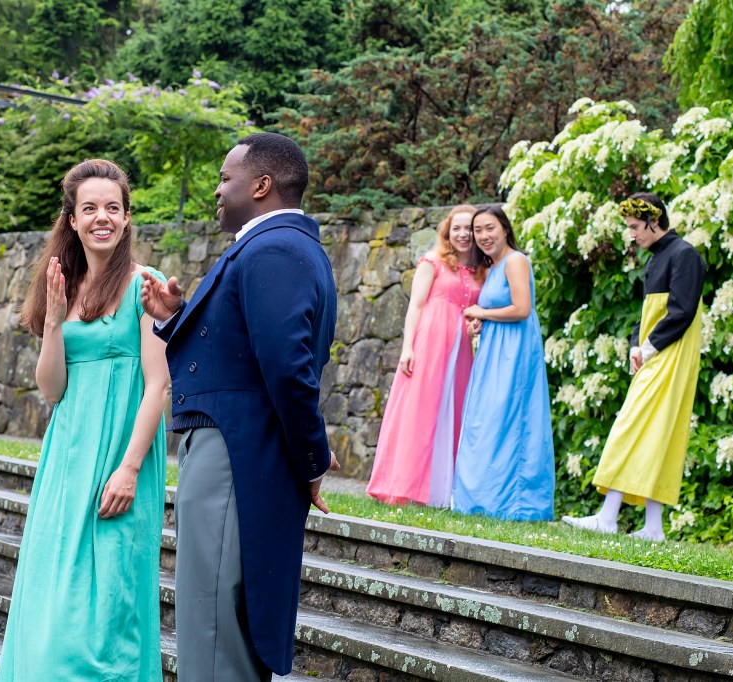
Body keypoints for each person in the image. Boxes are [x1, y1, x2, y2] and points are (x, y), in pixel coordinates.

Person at [139, 132, 339, 680]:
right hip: (242, 449)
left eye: (226, 179)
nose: (217, 191)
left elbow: (286, 364)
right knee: (221, 621)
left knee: (212, 624)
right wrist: (177, 317)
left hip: (234, 454)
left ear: (262, 184)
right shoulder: (279, 246)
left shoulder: (275, 247)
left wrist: (314, 456)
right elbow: (248, 349)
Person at [0, 159, 170, 680]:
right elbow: (52, 389)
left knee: (111, 601)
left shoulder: (146, 284)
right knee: (56, 593)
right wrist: (53, 320)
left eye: (112, 208)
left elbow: (159, 384)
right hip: (68, 454)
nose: (102, 217)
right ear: (70, 219)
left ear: (126, 218)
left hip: (123, 453)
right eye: (89, 208)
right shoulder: (61, 288)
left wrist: (130, 468)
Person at [562, 192, 706, 542]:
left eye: (634, 227)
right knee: (654, 432)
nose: (631, 234)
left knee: (631, 424)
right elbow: (647, 312)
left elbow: (682, 311)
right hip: (658, 351)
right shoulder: (657, 258)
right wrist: (634, 347)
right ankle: (653, 528)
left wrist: (648, 347)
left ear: (653, 221)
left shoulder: (684, 255)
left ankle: (608, 517)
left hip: (671, 353)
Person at [367, 205, 486, 507]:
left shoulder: (479, 271)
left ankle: (441, 492)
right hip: (430, 344)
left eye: (468, 228)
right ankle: (404, 488)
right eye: (456, 228)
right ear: (447, 232)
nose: (462, 234)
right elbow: (416, 306)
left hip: (461, 352)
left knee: (454, 412)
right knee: (418, 414)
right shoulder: (432, 262)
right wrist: (408, 347)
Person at [452, 205, 555, 521]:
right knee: (488, 421)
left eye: (489, 228)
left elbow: (522, 308)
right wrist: (484, 323)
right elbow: (501, 307)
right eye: (478, 230)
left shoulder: (516, 261)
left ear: (505, 229)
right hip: (495, 350)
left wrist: (482, 313)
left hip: (515, 354)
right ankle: (483, 499)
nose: (483, 236)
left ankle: (517, 504)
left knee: (509, 419)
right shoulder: (495, 267)